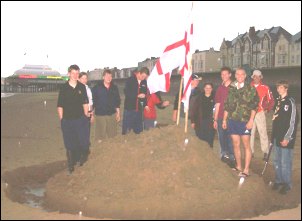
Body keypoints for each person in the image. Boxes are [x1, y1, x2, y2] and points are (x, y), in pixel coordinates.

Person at [223, 67, 259, 177]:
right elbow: (227, 105)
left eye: (242, 74)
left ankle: (246, 169)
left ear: (245, 76)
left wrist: (251, 120)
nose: (239, 76)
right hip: (232, 120)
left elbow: (254, 106)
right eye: (237, 74)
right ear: (235, 75)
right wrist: (224, 120)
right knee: (235, 144)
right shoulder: (231, 88)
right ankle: (238, 166)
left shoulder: (250, 89)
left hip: (245, 121)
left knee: (246, 145)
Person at [57, 64, 90, 175]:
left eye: (77, 73)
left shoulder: (82, 87)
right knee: (70, 143)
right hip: (67, 120)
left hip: (80, 119)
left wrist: (86, 115)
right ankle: (71, 165)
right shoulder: (64, 88)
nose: (75, 75)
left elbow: (85, 102)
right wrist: (62, 119)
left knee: (83, 141)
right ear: (69, 74)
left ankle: (82, 162)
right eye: (73, 73)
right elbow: (60, 105)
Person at [271, 80, 298, 195]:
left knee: (285, 161)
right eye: (278, 88)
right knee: (277, 160)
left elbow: (293, 121)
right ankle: (279, 180)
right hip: (277, 136)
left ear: (286, 88)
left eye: (281, 88)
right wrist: (273, 137)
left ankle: (287, 183)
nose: (279, 90)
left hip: (286, 138)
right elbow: (275, 120)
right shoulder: (278, 101)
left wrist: (287, 138)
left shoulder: (290, 102)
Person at [213, 67, 235, 167]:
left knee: (231, 138)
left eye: (226, 74)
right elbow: (217, 104)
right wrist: (215, 119)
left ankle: (232, 158)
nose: (224, 76)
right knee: (222, 137)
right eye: (222, 74)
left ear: (230, 74)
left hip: (232, 117)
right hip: (221, 116)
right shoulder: (220, 88)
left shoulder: (235, 87)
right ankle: (224, 155)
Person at [250, 70, 275, 159]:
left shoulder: (265, 87)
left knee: (263, 132)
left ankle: (265, 152)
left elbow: (271, 100)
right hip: (249, 113)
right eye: (255, 76)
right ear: (252, 77)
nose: (256, 78)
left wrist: (267, 109)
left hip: (260, 112)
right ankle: (250, 152)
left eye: (258, 76)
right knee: (250, 133)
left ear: (261, 77)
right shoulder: (248, 87)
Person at [92, 69, 121, 142]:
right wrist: (91, 114)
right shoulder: (96, 88)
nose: (109, 78)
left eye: (110, 76)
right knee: (100, 137)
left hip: (111, 114)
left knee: (112, 135)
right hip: (100, 115)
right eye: (107, 76)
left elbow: (117, 101)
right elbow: (93, 102)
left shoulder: (114, 88)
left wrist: (118, 113)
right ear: (103, 77)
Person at [122, 67, 149, 135]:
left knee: (138, 130)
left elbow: (144, 94)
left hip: (139, 109)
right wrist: (137, 95)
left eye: (145, 77)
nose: (143, 78)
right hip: (129, 108)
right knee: (126, 130)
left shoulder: (144, 82)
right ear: (139, 73)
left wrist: (145, 104)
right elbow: (126, 92)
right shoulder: (130, 80)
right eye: (143, 76)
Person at [191, 82, 215, 147]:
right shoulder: (199, 97)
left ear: (212, 89)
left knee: (210, 139)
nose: (208, 89)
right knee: (200, 139)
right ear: (204, 88)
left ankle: (209, 154)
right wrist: (193, 121)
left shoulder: (215, 98)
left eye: (209, 88)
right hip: (200, 121)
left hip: (210, 122)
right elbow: (193, 110)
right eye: (206, 88)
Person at [79, 72, 94, 145]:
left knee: (87, 130)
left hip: (88, 112)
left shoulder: (88, 89)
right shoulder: (77, 89)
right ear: (79, 79)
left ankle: (86, 144)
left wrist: (92, 114)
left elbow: (91, 102)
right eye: (82, 78)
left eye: (85, 78)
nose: (84, 80)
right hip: (79, 113)